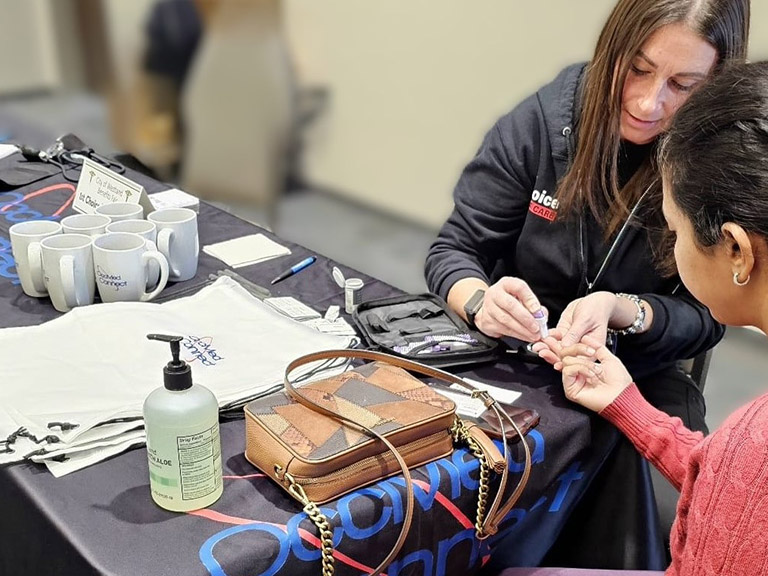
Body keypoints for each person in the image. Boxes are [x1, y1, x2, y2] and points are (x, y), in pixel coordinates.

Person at [425, 0, 750, 434]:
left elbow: (708, 317)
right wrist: (482, 304)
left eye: (683, 85)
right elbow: (454, 250)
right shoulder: (542, 125)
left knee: (670, 486)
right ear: (611, 47)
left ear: (714, 84)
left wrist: (622, 311)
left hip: (638, 372)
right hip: (515, 352)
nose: (649, 103)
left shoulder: (715, 161)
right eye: (637, 68)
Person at [510, 59, 768, 576]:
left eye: (674, 231)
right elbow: (733, 490)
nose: (650, 103)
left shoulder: (755, 439)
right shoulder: (540, 120)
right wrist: (629, 406)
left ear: (737, 250)